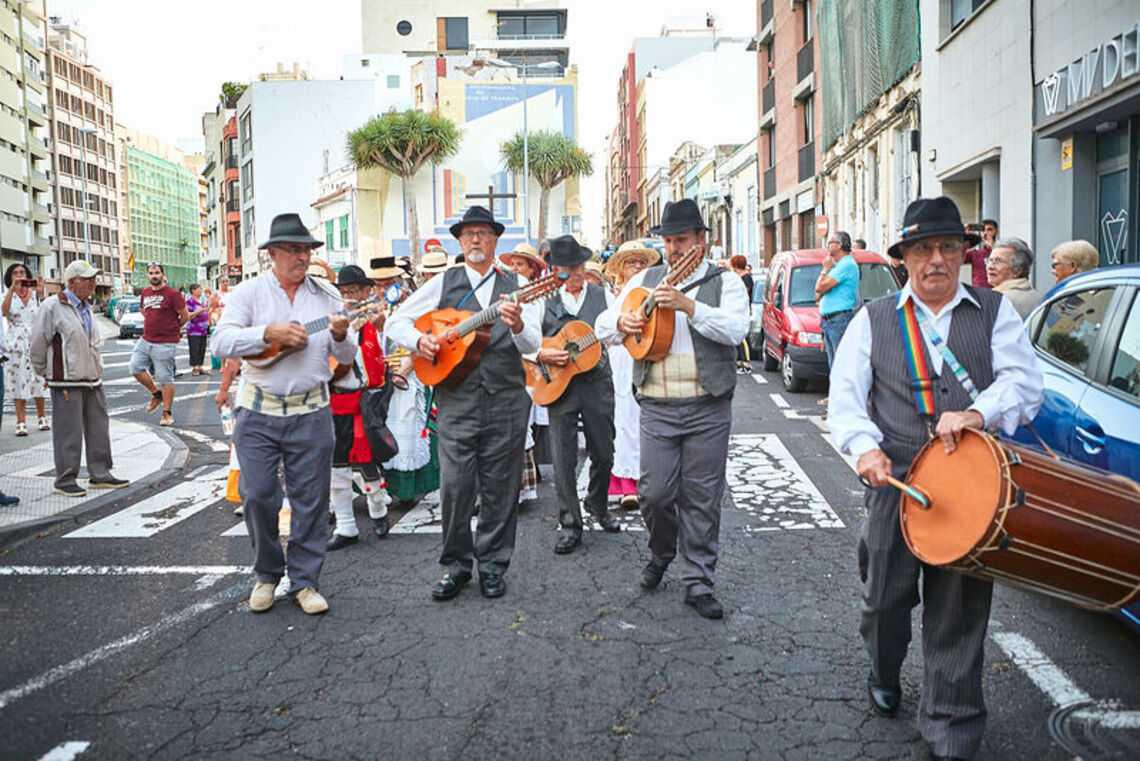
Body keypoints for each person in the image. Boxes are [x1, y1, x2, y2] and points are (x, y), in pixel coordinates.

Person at [828, 197, 1043, 761]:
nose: (936, 260)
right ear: (905, 259)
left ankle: (951, 729)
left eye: (947, 247)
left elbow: (1025, 386)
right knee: (884, 600)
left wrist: (977, 413)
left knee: (960, 610)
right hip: (894, 484)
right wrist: (864, 449)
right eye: (922, 250)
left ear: (963, 254)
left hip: (970, 486)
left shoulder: (996, 312)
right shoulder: (872, 319)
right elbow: (845, 402)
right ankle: (884, 667)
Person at [597, 199, 749, 620]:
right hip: (658, 406)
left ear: (701, 240)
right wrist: (620, 325)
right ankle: (663, 550)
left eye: (681, 240)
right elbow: (603, 326)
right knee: (655, 493)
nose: (674, 248)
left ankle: (698, 579)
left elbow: (738, 329)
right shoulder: (644, 279)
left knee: (703, 496)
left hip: (708, 406)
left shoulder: (725, 282)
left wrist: (690, 307)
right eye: (668, 241)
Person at [387, 205, 541, 602]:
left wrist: (519, 324)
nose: (476, 240)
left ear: (495, 241)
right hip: (456, 400)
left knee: (501, 488)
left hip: (506, 399)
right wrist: (420, 341)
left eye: (484, 233)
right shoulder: (444, 282)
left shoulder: (518, 285)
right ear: (460, 240)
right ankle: (456, 565)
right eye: (469, 233)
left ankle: (493, 565)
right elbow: (396, 322)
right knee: (455, 488)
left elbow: (535, 345)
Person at [212, 212, 356, 616]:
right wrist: (266, 334)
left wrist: (343, 336)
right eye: (293, 249)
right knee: (257, 495)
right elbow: (221, 341)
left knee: (311, 500)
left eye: (306, 249)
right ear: (272, 253)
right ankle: (267, 575)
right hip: (258, 411)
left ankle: (305, 581)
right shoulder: (249, 294)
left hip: (312, 410)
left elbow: (345, 357)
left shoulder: (328, 298)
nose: (301, 257)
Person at [538, 235, 621, 555]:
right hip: (558, 385)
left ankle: (598, 505)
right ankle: (570, 522)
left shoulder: (604, 296)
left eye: (577, 267)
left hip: (597, 381)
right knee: (563, 458)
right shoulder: (542, 300)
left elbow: (616, 333)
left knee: (604, 452)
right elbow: (529, 341)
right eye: (565, 268)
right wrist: (544, 354)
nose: (572, 273)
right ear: (554, 270)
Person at [29, 260, 130, 498]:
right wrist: (44, 372)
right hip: (66, 379)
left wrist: (99, 367)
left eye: (94, 279)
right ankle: (65, 479)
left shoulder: (86, 306)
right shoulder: (52, 306)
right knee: (68, 431)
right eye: (88, 279)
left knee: (99, 427)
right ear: (73, 282)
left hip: (92, 377)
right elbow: (38, 343)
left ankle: (101, 473)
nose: (93, 283)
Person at [327, 264, 392, 550]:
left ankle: (378, 508)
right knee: (336, 465)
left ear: (367, 291)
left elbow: (381, 344)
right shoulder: (335, 319)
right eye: (345, 291)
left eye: (355, 290)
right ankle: (345, 526)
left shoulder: (374, 317)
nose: (350, 296)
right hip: (333, 398)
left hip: (365, 398)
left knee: (366, 461)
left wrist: (377, 323)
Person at [373, 256, 440, 508]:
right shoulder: (374, 309)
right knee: (382, 432)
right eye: (378, 284)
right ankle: (384, 487)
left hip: (409, 376)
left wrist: (404, 370)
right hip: (381, 379)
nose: (383, 289)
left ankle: (408, 489)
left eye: (387, 283)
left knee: (407, 429)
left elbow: (426, 339)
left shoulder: (415, 305)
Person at [602, 240, 660, 510]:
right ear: (620, 268)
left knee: (643, 417)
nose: (636, 266)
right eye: (630, 262)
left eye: (641, 262)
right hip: (619, 357)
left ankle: (644, 478)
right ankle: (626, 481)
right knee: (623, 416)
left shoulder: (650, 288)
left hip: (645, 352)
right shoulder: (612, 293)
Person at [499, 241, 548, 503]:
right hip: (505, 364)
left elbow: (535, 335)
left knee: (521, 426)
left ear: (532, 269)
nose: (515, 268)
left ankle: (520, 485)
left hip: (529, 364)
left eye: (521, 264)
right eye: (513, 264)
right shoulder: (503, 292)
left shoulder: (536, 296)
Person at [129, 263, 188, 427]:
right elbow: (143, 310)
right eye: (151, 273)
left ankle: (167, 413)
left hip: (165, 342)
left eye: (157, 273)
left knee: (164, 377)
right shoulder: (145, 293)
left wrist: (173, 328)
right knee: (135, 367)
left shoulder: (173, 294)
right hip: (146, 339)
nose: (154, 275)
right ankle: (156, 394)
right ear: (147, 275)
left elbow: (184, 316)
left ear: (163, 274)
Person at [2, 264, 48, 435]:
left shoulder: (35, 293)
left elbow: (45, 312)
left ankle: (42, 416)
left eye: (22, 272)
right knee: (18, 380)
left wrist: (42, 291)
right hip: (16, 342)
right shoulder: (7, 295)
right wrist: (11, 290)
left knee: (38, 380)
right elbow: (4, 312)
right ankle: (21, 421)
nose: (19, 275)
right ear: (10, 277)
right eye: (15, 273)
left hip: (34, 340)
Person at [815, 231, 861, 368]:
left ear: (839, 245)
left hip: (839, 320)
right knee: (833, 364)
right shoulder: (839, 265)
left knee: (840, 365)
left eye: (831, 242)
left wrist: (825, 269)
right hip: (829, 320)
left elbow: (819, 287)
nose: (828, 245)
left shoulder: (846, 264)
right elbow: (816, 295)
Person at [985, 237, 1041, 319]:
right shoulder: (1039, 298)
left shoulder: (996, 301)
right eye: (990, 260)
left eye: (998, 261)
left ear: (1017, 271)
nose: (990, 267)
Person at [729, 255, 754, 373]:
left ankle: (746, 363)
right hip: (736, 309)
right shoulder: (739, 277)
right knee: (738, 336)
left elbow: (743, 292)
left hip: (743, 310)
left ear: (736, 265)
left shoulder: (746, 278)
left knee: (743, 336)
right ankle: (739, 362)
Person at [962, 218, 998, 288]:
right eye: (983, 230)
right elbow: (957, 257)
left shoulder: (1002, 250)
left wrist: (992, 247)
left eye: (989, 230)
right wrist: (963, 235)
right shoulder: (975, 253)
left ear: (996, 231)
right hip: (978, 294)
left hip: (997, 292)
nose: (985, 233)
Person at [185, 284, 210, 375]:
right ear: (193, 291)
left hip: (203, 330)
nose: (200, 291)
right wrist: (200, 311)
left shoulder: (202, 301)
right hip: (193, 330)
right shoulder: (189, 302)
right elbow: (188, 316)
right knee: (194, 349)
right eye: (199, 289)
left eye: (201, 289)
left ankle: (200, 366)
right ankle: (195, 367)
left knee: (202, 348)